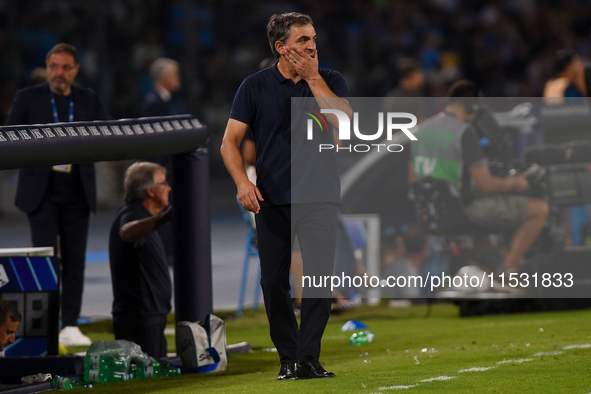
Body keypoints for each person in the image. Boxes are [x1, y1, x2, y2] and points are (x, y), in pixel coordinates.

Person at [221, 12, 351, 380]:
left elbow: (345, 122)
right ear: (281, 47)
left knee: (319, 281)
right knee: (272, 282)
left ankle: (309, 358)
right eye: (302, 41)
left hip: (321, 196)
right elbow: (229, 143)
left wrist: (313, 79)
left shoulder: (329, 80)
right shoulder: (254, 86)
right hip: (272, 199)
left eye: (313, 39)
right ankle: (288, 359)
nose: (311, 46)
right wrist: (242, 184)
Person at [5, 43, 108, 346]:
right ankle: (44, 324)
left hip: (77, 191)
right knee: (46, 261)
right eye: (53, 66)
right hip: (42, 192)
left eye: (64, 67)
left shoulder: (88, 100)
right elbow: (9, 137)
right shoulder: (29, 98)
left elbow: (108, 136)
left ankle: (71, 324)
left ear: (75, 70)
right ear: (47, 66)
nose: (58, 73)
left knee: (75, 260)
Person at [410, 80, 549, 274]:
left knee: (480, 219)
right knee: (539, 209)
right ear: (472, 105)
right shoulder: (464, 132)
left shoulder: (422, 130)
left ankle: (487, 270)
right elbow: (487, 185)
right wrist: (516, 183)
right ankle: (509, 269)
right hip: (462, 210)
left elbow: (413, 179)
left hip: (434, 211)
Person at [108, 162, 172, 358]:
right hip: (139, 320)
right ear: (150, 191)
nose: (169, 187)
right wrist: (164, 218)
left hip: (150, 316)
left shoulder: (144, 217)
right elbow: (127, 232)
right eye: (164, 183)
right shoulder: (132, 213)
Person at [142, 57, 184, 265]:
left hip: (166, 169)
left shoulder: (165, 102)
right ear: (164, 77)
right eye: (175, 74)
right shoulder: (154, 104)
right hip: (161, 169)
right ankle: (165, 253)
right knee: (163, 209)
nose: (178, 79)